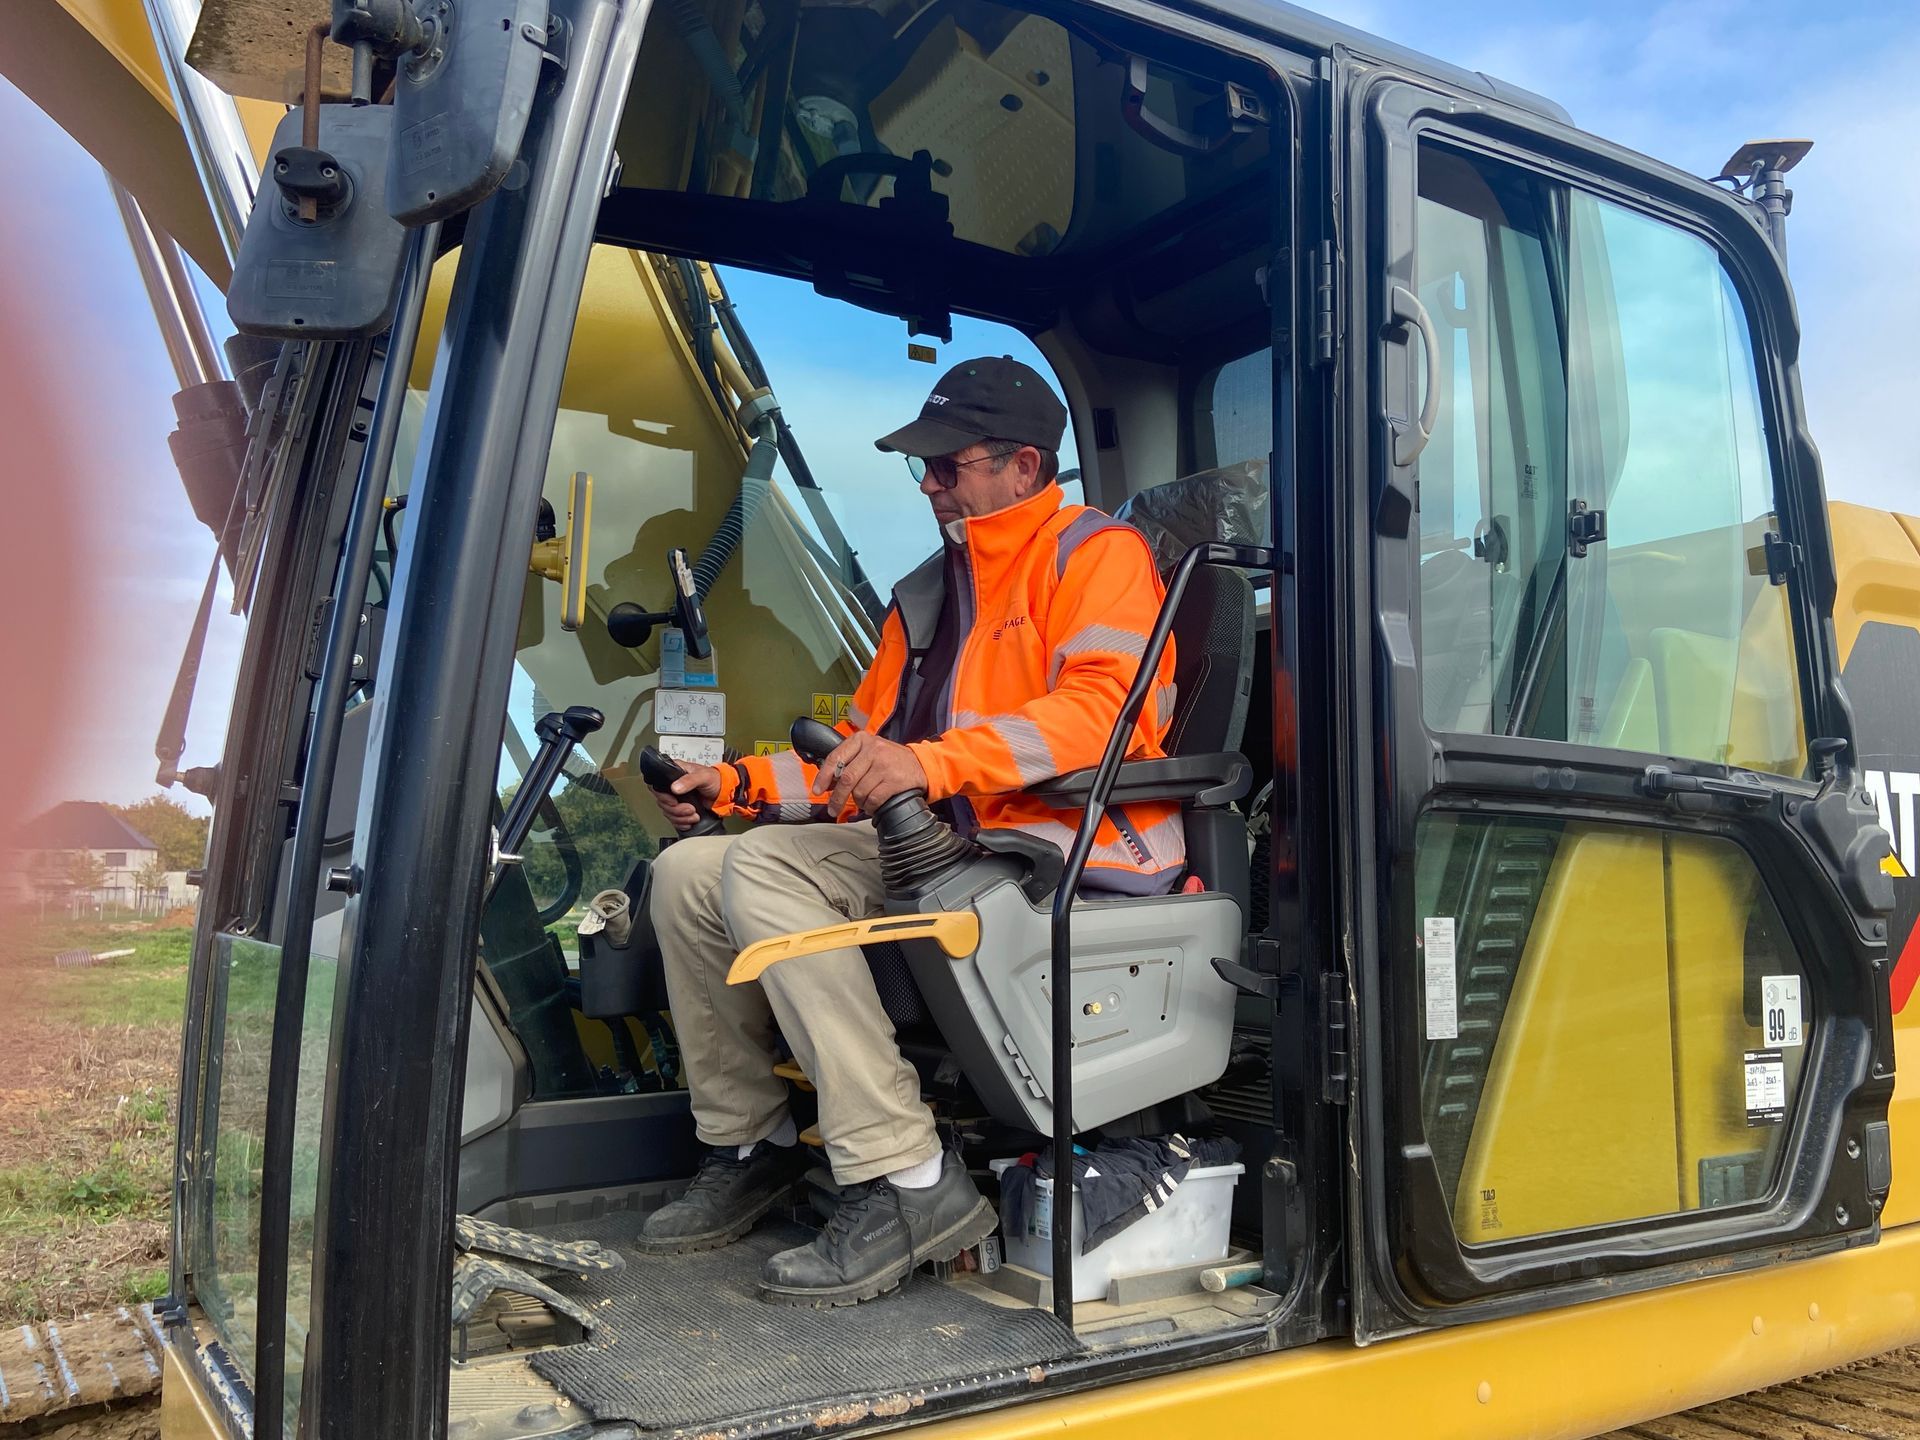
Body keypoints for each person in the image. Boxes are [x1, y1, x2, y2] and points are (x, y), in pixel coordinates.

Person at [641, 356, 1183, 1306]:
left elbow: (1108, 715)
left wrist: (932, 765)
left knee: (767, 871)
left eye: (948, 465)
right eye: (922, 468)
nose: (930, 484)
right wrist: (726, 785)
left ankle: (908, 1177)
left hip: (1053, 840)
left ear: (1025, 468)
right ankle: (752, 1141)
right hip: (930, 831)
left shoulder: (1095, 558)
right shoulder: (928, 593)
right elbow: (860, 755)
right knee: (690, 872)